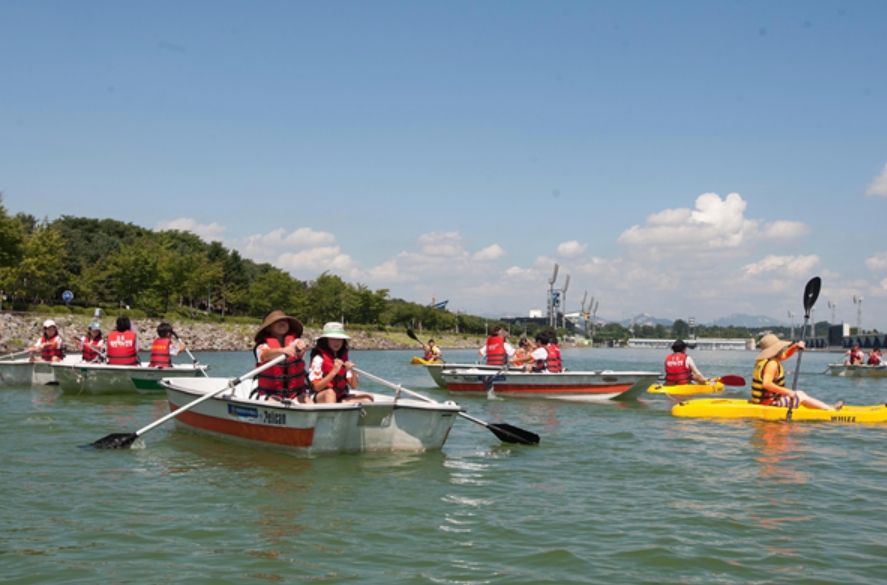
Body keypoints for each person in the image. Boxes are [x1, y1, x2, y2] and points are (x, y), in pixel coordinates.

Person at [751, 333, 842, 410]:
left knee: (800, 393)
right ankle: (831, 410)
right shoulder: (772, 364)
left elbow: (785, 355)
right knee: (801, 396)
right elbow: (766, 384)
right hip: (769, 403)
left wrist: (795, 346)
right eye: (780, 348)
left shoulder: (765, 360)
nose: (782, 349)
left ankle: (827, 407)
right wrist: (787, 392)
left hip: (764, 401)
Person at [252, 309, 311, 403]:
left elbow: (301, 350)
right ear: (268, 328)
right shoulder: (262, 346)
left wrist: (301, 347)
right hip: (270, 393)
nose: (282, 323)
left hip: (295, 393)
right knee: (274, 403)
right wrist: (282, 351)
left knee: (309, 403)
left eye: (284, 321)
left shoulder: (295, 341)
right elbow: (265, 354)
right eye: (277, 322)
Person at [310, 322, 373, 404]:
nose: (337, 342)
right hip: (321, 396)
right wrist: (334, 372)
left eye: (339, 339)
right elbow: (316, 387)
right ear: (325, 340)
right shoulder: (318, 359)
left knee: (369, 398)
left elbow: (354, 386)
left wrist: (353, 371)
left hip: (340, 396)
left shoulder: (346, 359)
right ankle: (332, 415)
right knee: (330, 393)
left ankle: (342, 411)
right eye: (333, 339)